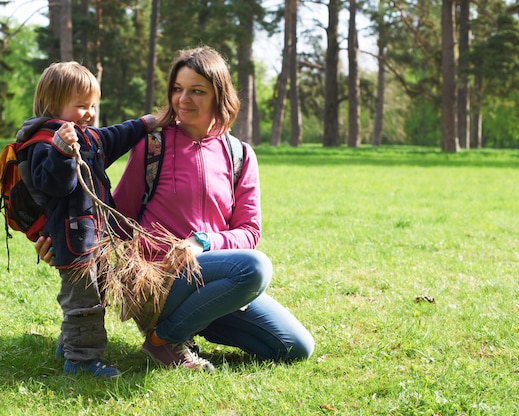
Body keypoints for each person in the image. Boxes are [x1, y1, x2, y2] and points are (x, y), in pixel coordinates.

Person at [37, 46, 314, 371]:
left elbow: (249, 232)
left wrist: (203, 242)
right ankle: (165, 341)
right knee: (255, 268)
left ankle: (191, 322)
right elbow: (116, 220)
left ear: (219, 96)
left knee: (295, 346)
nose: (184, 99)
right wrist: (59, 239)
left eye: (197, 91)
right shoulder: (153, 145)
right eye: (178, 89)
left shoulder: (240, 154)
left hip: (214, 280)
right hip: (159, 280)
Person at [22, 61, 157, 377]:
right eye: (81, 106)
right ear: (53, 105)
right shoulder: (45, 141)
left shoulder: (90, 137)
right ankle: (81, 361)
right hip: (72, 240)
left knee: (97, 293)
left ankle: (67, 345)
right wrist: (62, 153)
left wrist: (146, 123)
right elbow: (54, 185)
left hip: (97, 237)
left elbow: (116, 135)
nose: (90, 112)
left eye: (93, 105)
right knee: (84, 303)